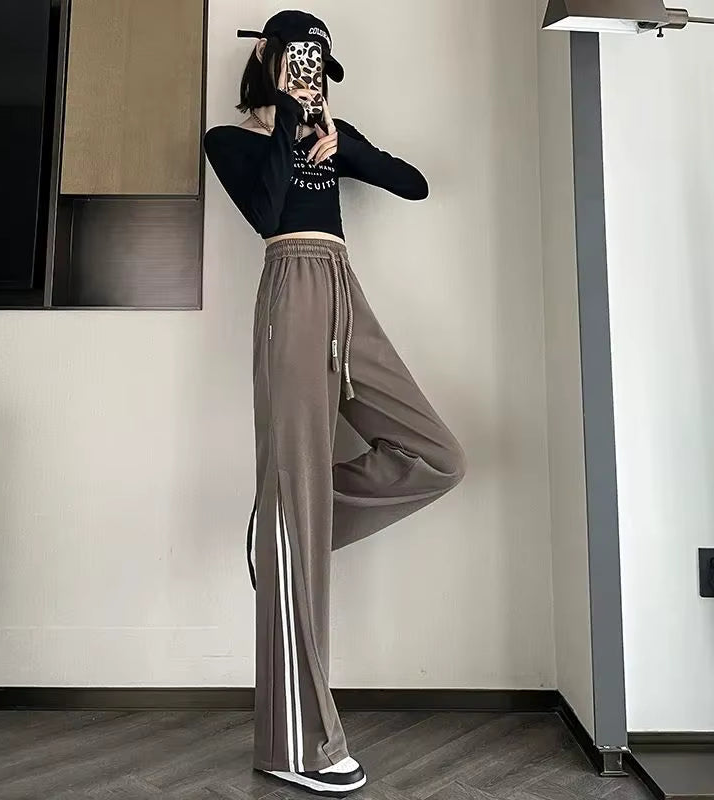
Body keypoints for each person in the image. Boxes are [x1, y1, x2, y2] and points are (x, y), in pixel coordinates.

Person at [203, 10, 467, 796]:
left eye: (318, 65)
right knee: (297, 515)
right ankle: (298, 747)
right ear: (270, 59)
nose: (309, 75)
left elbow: (413, 183)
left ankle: (290, 524)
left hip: (344, 290)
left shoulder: (331, 132)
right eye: (299, 61)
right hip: (290, 286)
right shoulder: (230, 139)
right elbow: (264, 210)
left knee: (440, 456)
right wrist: (288, 120)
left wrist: (342, 144)